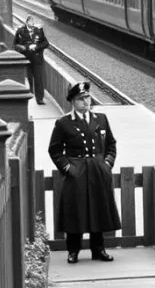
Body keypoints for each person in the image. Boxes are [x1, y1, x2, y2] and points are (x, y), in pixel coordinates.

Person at [48, 82, 121, 264]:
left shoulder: (101, 119)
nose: (86, 102)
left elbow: (111, 144)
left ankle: (99, 250)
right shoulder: (64, 122)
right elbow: (55, 150)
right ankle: (73, 251)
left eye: (87, 97)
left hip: (97, 169)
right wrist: (68, 168)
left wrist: (107, 164)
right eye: (81, 99)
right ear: (73, 102)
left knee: (98, 208)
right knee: (76, 210)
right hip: (76, 170)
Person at [13, 15, 49, 104]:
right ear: (26, 22)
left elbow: (46, 43)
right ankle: (30, 91)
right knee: (29, 77)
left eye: (33, 21)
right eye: (30, 21)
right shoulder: (20, 31)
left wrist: (37, 47)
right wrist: (24, 48)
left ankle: (39, 98)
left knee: (38, 78)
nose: (31, 23)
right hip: (26, 58)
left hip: (37, 59)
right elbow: (15, 44)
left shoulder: (39, 31)